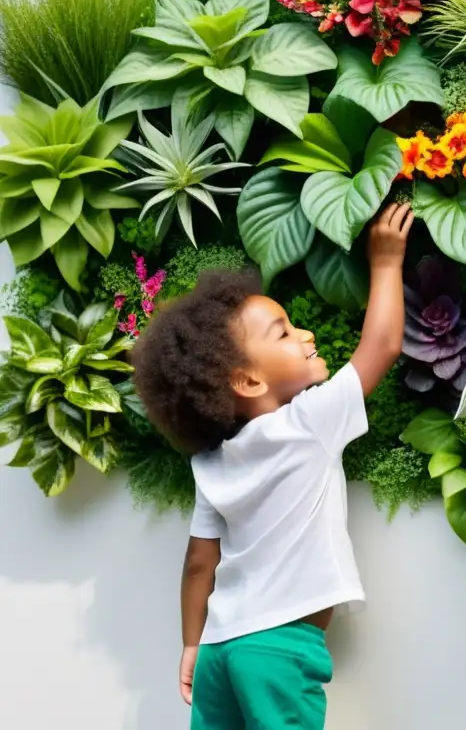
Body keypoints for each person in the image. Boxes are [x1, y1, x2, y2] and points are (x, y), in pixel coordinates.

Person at [131, 203, 414, 729]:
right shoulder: (308, 423)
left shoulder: (211, 463)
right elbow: (381, 345)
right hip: (278, 648)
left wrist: (191, 643)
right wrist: (386, 261)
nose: (305, 335)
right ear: (248, 382)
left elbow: (199, 563)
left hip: (219, 647)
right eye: (283, 333)